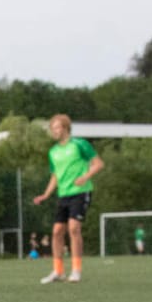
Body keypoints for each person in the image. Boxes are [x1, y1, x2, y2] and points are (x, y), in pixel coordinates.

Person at [31, 114, 103, 284]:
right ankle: (58, 271)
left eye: (57, 127)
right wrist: (46, 194)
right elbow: (55, 176)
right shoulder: (53, 152)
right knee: (56, 232)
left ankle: (76, 270)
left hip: (80, 192)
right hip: (63, 195)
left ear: (65, 128)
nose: (54, 131)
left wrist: (85, 177)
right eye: (52, 128)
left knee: (74, 228)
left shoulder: (80, 144)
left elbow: (99, 164)